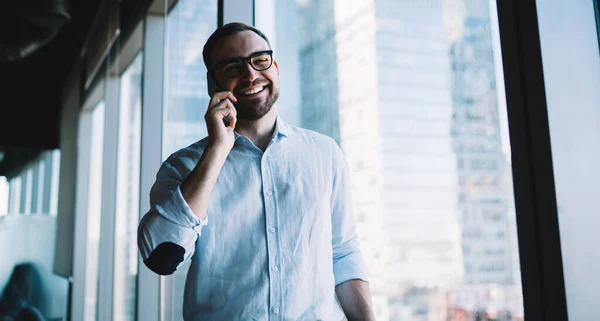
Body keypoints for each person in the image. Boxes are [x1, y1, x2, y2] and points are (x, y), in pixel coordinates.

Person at [137, 22, 376, 321]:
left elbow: (343, 251)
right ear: (213, 84)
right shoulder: (183, 166)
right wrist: (217, 150)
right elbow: (161, 257)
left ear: (275, 67)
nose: (251, 75)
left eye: (260, 60)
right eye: (232, 67)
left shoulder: (324, 152)